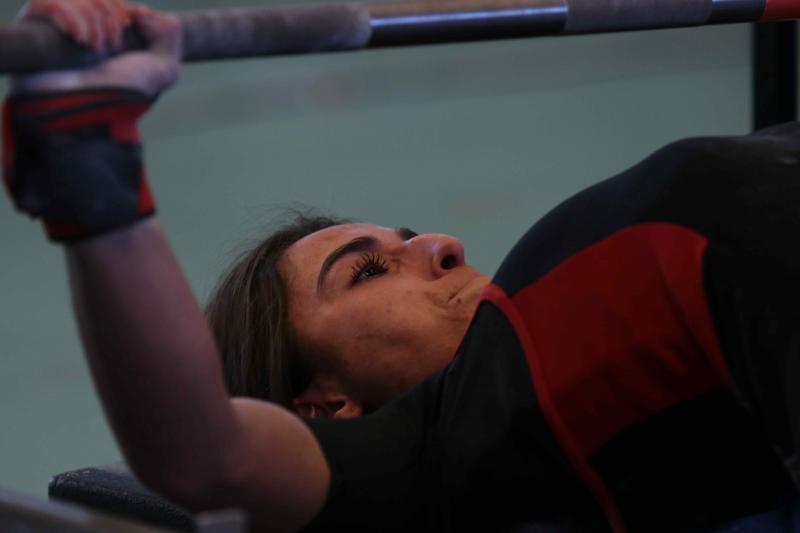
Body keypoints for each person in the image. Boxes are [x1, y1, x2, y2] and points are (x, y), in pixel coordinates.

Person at [5, 1, 800, 532]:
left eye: (406, 237)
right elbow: (202, 453)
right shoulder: (438, 450)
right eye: (369, 272)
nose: (441, 245)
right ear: (325, 407)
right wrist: (94, 185)